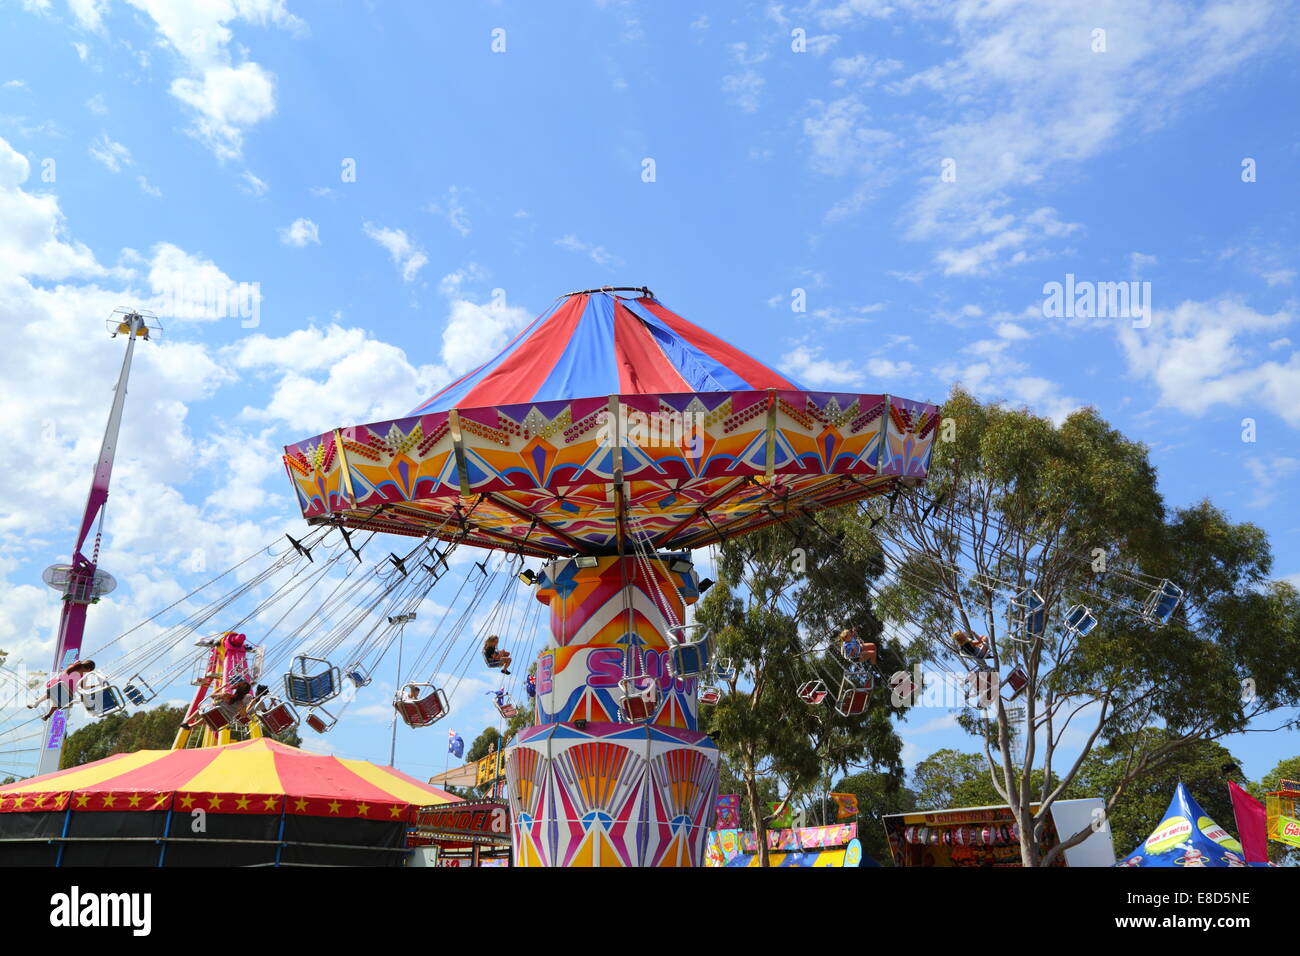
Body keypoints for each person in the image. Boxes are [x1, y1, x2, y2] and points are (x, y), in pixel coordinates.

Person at [29, 660, 95, 721]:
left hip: (60, 685)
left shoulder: (76, 665)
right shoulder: (83, 676)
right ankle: (48, 714)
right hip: (66, 691)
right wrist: (94, 686)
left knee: (52, 695)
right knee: (57, 701)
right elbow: (83, 687)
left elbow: (65, 673)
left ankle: (38, 704)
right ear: (89, 670)